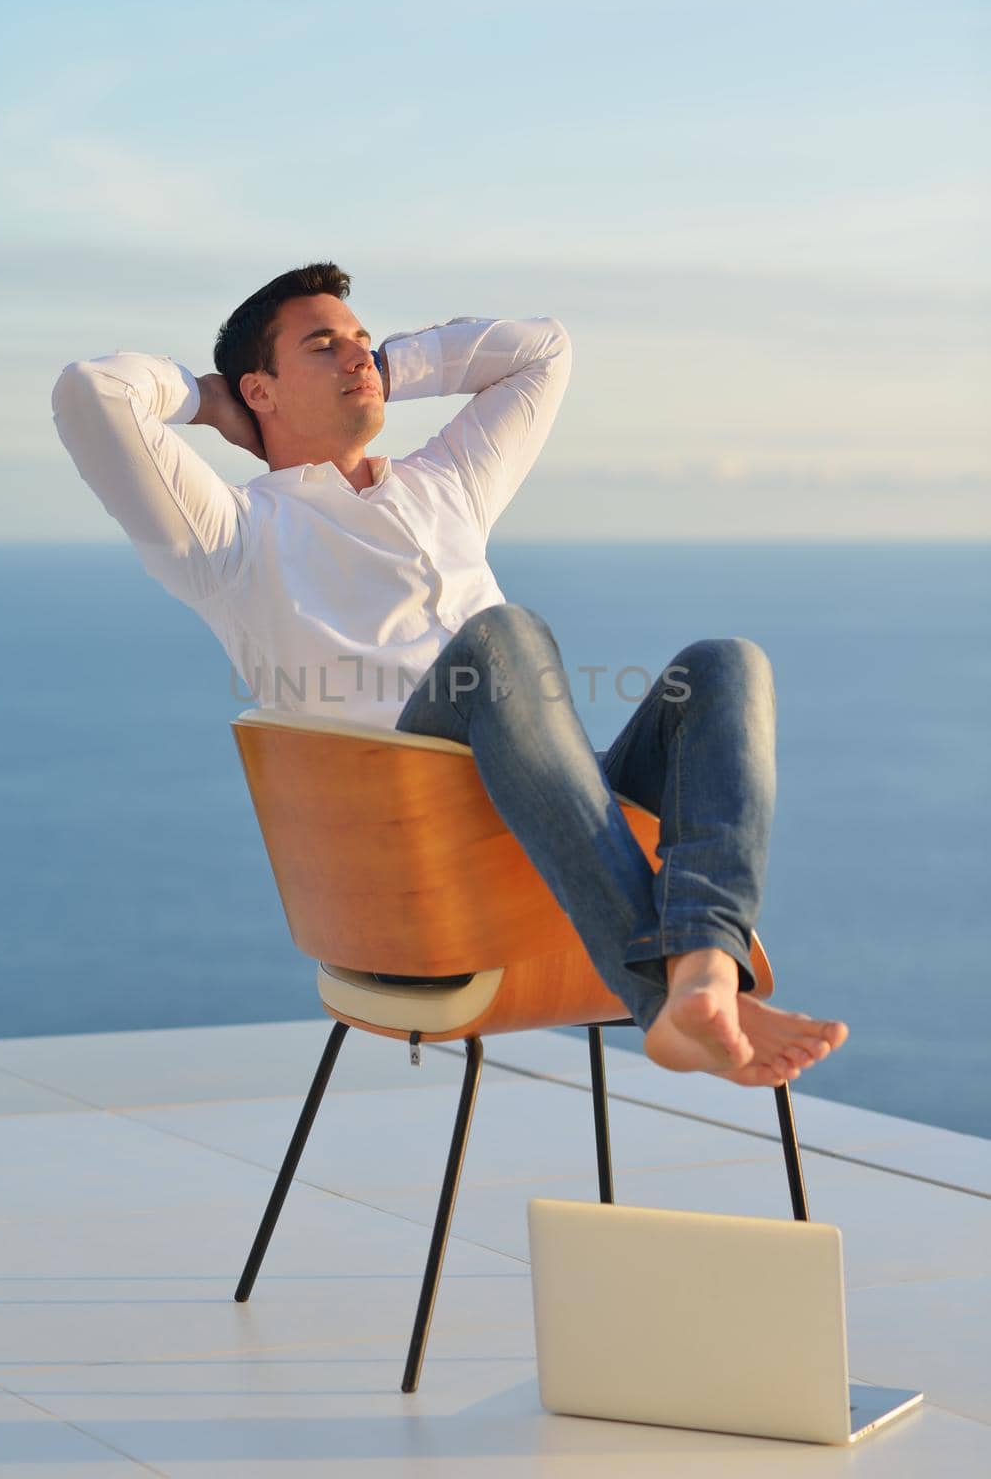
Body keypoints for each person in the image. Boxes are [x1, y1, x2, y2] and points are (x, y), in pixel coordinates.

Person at [52, 260, 847, 1087]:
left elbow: (544, 350)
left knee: (725, 666)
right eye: (323, 348)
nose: (358, 358)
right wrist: (204, 399)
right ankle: (660, 995)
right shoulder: (231, 538)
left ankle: (703, 974)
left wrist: (390, 366)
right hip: (423, 872)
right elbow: (91, 392)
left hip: (554, 826)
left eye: (361, 342)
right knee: (499, 644)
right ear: (262, 391)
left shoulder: (444, 484)